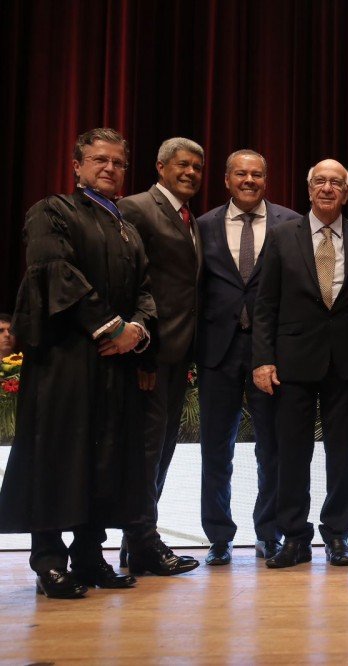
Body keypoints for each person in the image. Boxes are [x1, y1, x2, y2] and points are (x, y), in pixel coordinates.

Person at [0, 128, 154, 598]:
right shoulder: (53, 211)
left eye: (118, 162)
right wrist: (112, 327)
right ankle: (49, 561)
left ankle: (90, 556)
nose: (110, 168)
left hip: (115, 363)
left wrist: (138, 331)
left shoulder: (127, 226)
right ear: (77, 165)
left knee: (106, 458)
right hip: (63, 361)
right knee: (56, 455)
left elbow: (146, 290)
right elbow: (56, 273)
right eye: (99, 159)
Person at [252, 159, 348, 569]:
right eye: (321, 181)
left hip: (347, 361)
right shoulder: (282, 236)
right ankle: (294, 537)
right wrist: (262, 359)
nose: (328, 188)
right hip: (292, 362)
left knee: (342, 454)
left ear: (346, 193)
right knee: (291, 454)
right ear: (309, 188)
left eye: (337, 182)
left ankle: (338, 536)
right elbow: (264, 304)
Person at [196, 150, 299, 565]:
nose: (250, 180)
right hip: (217, 351)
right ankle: (219, 536)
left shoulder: (290, 223)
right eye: (241, 173)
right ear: (226, 179)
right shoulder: (202, 226)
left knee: (270, 450)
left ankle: (268, 533)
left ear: (267, 179)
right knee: (215, 450)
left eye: (257, 174)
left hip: (269, 352)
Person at [117, 137, 204, 576]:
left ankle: (139, 541)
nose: (190, 173)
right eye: (182, 165)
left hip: (179, 354)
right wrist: (144, 354)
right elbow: (132, 284)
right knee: (147, 450)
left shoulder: (191, 218)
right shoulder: (137, 208)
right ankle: (141, 540)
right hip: (150, 355)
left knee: (163, 447)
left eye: (196, 168)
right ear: (160, 166)